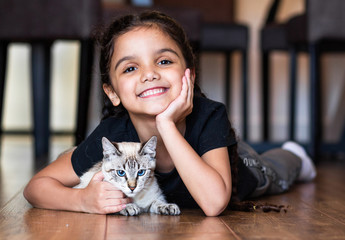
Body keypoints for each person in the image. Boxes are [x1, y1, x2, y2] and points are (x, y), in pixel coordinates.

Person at [23, 11, 316, 217]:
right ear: (112, 92)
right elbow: (36, 187)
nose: (150, 74)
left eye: (163, 61)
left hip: (245, 171)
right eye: (130, 68)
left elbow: (213, 204)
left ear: (189, 72)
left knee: (277, 168)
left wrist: (166, 126)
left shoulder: (211, 115)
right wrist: (81, 200)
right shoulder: (112, 134)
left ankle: (295, 155)